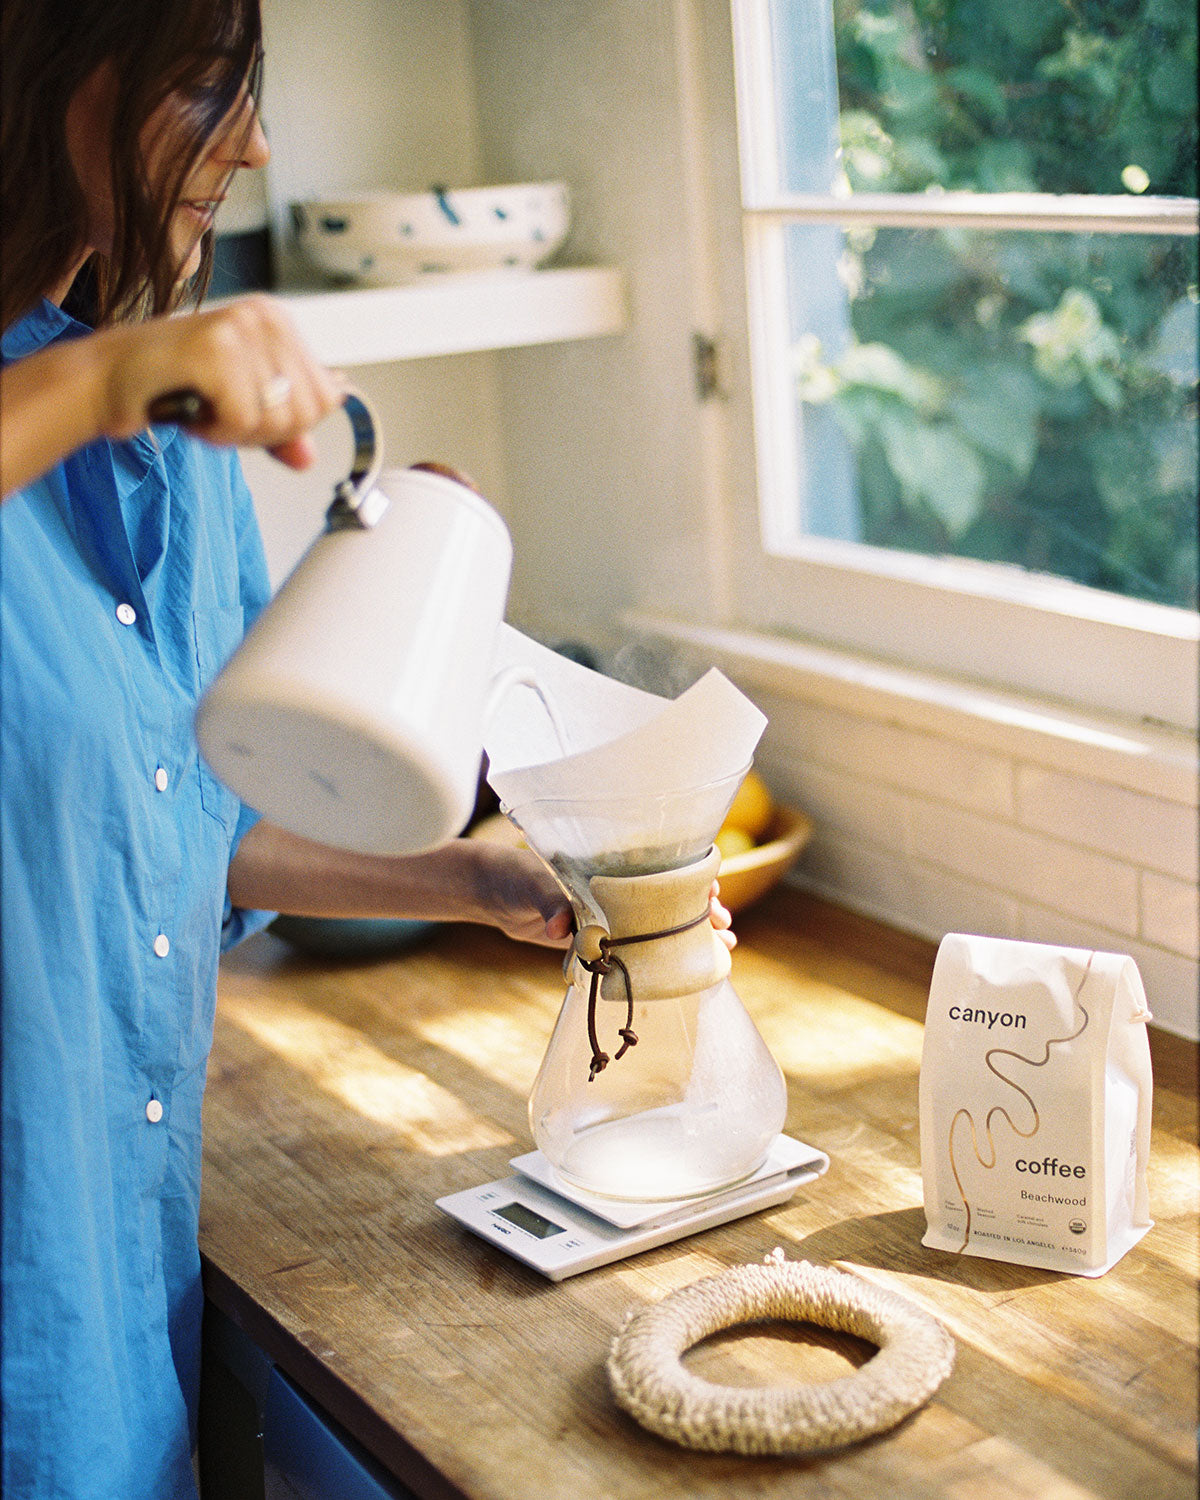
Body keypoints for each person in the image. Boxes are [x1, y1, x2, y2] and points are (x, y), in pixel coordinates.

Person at [0, 4, 735, 1496]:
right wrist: (107, 380)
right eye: (207, 90)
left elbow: (185, 827)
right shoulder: (97, 395)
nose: (254, 146)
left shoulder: (166, 435)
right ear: (54, 75)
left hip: (109, 1276)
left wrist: (461, 879)